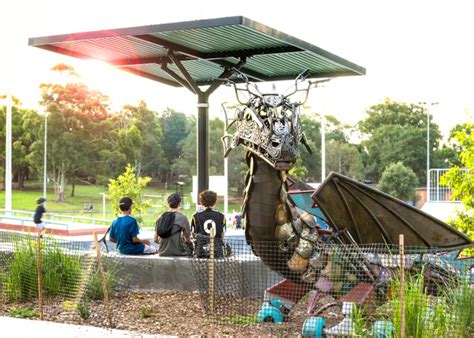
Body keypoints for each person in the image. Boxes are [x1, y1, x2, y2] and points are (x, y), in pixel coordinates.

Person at [191, 190, 226, 258]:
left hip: (201, 250)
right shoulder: (221, 216)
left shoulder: (195, 216)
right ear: (214, 202)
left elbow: (193, 234)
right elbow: (222, 235)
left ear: (201, 202)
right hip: (217, 250)